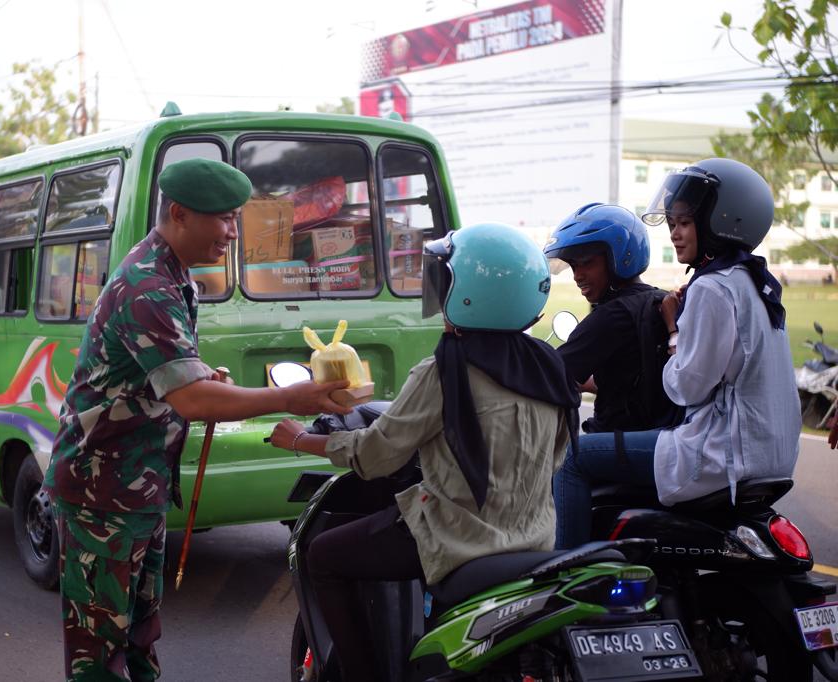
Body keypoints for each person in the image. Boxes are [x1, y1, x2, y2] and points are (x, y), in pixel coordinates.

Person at [43, 158, 352, 682]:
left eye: (235, 219)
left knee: (139, 637)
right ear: (180, 214)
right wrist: (289, 398)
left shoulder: (172, 274)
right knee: (99, 654)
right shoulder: (147, 287)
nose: (232, 232)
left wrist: (202, 376)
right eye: (223, 219)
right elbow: (192, 401)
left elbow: (171, 378)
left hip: (136, 485)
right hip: (104, 493)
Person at [270, 223, 580, 682]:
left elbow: (376, 458)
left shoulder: (445, 369)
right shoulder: (549, 366)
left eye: (443, 280)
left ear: (466, 293)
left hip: (460, 538)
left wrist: (300, 439)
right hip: (535, 539)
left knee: (323, 555)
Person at [554, 158, 801, 548]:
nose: (674, 234)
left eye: (684, 223)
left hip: (718, 454)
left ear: (723, 220)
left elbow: (685, 388)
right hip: (774, 457)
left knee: (573, 460)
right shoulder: (757, 284)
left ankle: (563, 573)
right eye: (672, 224)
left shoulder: (711, 287)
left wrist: (674, 329)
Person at [544, 203, 672, 433]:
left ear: (620, 256)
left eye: (586, 263)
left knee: (566, 461)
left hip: (620, 440)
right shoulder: (658, 299)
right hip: (658, 434)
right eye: (573, 266)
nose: (577, 276)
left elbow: (547, 376)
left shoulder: (612, 315)